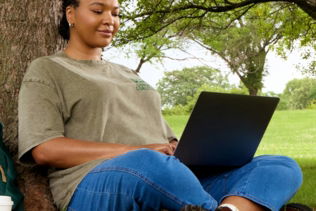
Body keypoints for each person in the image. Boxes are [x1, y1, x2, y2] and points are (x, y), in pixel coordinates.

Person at [18, 0, 303, 210]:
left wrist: (180, 145)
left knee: (281, 166)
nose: (110, 20)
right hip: (95, 184)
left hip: (169, 176)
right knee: (150, 163)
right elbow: (45, 148)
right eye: (97, 10)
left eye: (116, 14)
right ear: (71, 14)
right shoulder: (48, 69)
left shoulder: (128, 73)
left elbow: (161, 137)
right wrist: (139, 151)